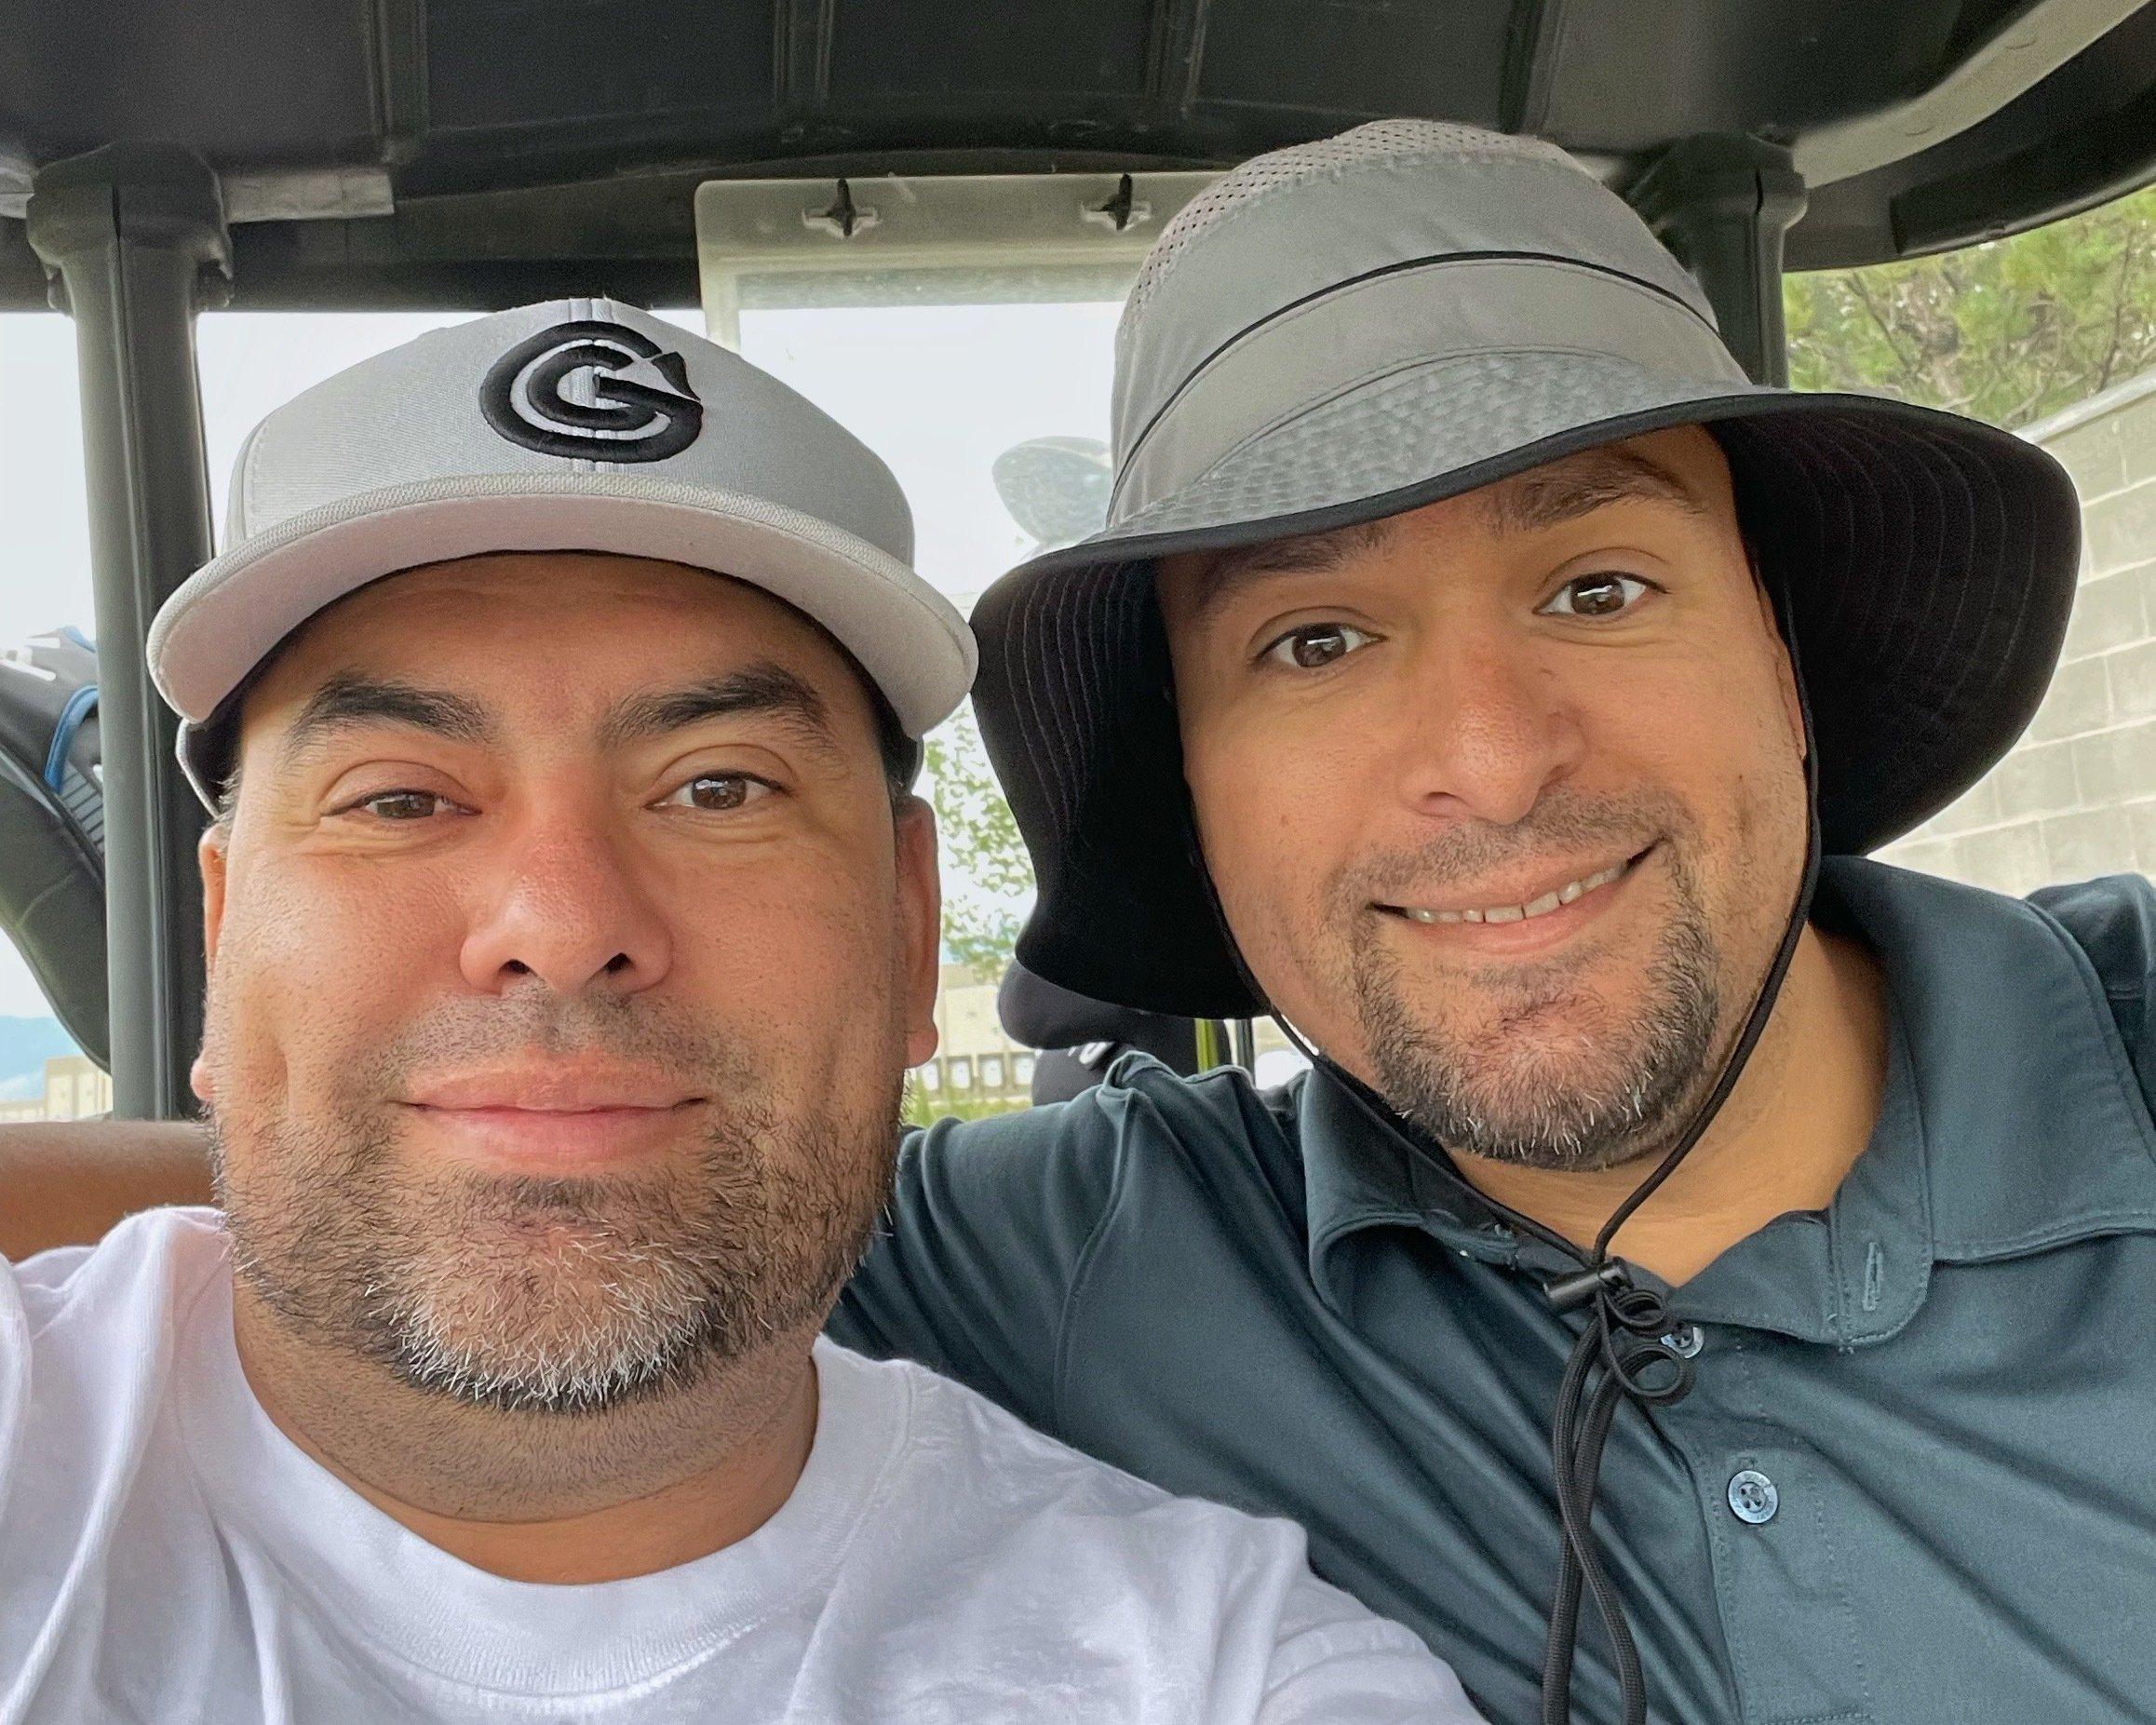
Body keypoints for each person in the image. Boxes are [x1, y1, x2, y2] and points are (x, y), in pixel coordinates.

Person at [9, 124, 2154, 1724]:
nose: (1491, 763)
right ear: (1199, 798)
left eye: (1598, 585)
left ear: (1781, 651)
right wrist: (322, 1139)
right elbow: (549, 1166)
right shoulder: (1093, 1244)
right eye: (1314, 644)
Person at [0, 301, 1474, 1723]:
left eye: (721, 787)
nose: (565, 926)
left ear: (907, 933)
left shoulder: (1223, 1674)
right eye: (399, 796)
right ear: (218, 928)